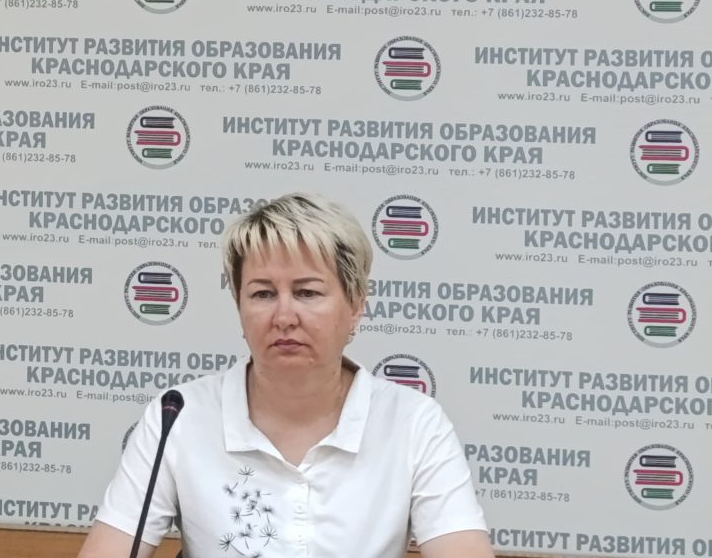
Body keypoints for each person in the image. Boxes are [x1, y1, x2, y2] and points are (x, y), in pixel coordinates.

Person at [76, 194, 493, 558]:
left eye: (307, 292)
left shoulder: (413, 422)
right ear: (238, 306)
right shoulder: (179, 416)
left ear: (355, 306)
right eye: (262, 294)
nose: (284, 317)